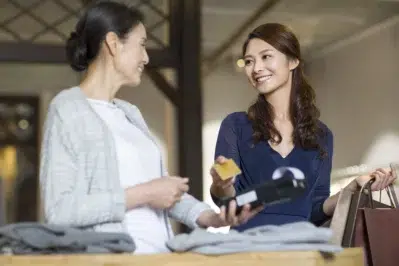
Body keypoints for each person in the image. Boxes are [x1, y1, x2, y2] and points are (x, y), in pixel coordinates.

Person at [39, 1, 260, 255]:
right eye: (141, 44)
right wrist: (144, 193)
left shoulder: (129, 114)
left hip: (160, 257)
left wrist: (214, 218)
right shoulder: (67, 109)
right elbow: (60, 212)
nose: (146, 57)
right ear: (113, 43)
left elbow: (162, 193)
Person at [209, 23, 396, 231]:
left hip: (302, 250)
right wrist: (222, 185)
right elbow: (226, 202)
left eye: (266, 56)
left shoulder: (322, 135)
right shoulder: (235, 125)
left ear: (293, 61)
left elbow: (316, 209)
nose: (256, 68)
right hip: (249, 251)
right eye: (249, 61)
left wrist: (352, 189)